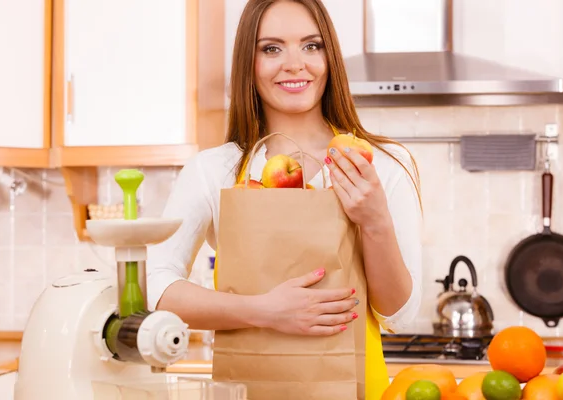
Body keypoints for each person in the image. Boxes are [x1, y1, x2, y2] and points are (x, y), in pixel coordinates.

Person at [146, 0, 423, 398]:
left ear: (330, 57)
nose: (295, 64)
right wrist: (262, 311)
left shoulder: (384, 165)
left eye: (311, 46)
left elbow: (399, 313)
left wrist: (374, 219)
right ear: (249, 62)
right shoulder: (215, 170)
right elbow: (155, 285)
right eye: (271, 48)